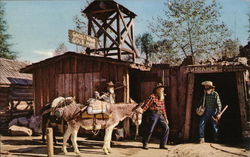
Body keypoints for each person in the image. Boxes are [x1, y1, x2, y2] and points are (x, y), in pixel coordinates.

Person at [141, 82, 169, 150]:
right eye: (161, 89)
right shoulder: (152, 97)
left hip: (160, 114)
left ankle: (163, 145)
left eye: (163, 89)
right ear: (157, 90)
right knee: (150, 129)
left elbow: (163, 108)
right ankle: (145, 143)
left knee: (166, 128)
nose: (162, 90)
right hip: (153, 113)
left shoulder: (162, 97)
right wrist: (140, 112)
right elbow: (146, 106)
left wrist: (165, 118)